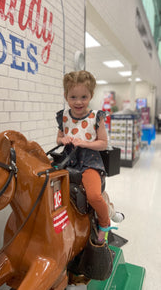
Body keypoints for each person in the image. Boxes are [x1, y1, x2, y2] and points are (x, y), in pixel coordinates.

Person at [56, 70, 117, 242]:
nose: (78, 102)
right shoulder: (63, 116)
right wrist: (64, 139)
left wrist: (85, 143)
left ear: (91, 95)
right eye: (73, 97)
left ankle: (104, 223)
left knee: (94, 196)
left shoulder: (95, 117)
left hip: (90, 162)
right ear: (66, 96)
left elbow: (103, 143)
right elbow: (58, 139)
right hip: (68, 160)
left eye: (84, 97)